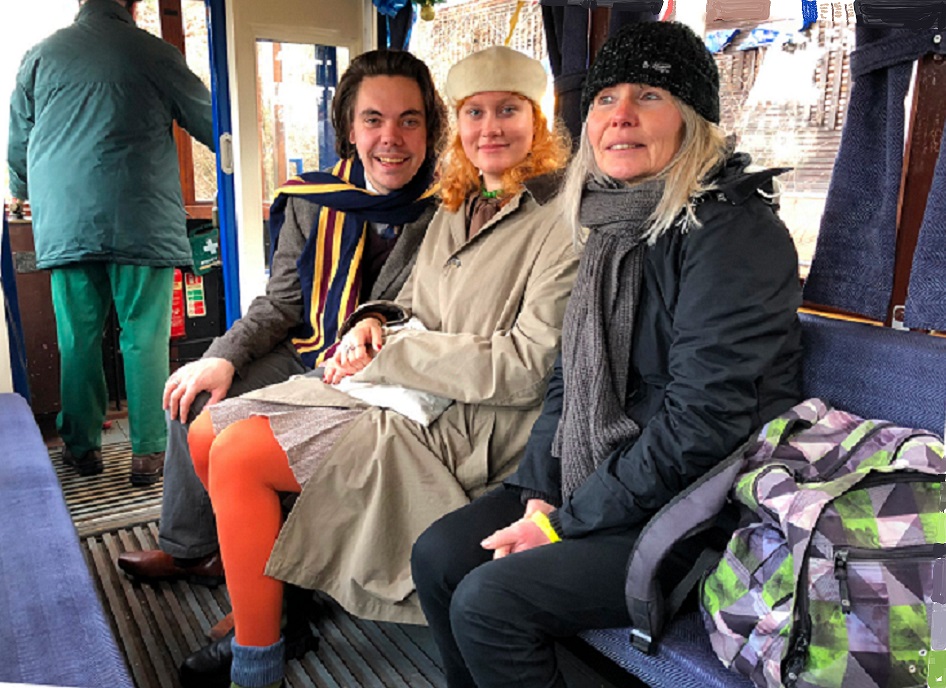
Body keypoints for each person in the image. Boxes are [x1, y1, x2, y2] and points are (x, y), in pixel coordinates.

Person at [410, 21, 805, 688]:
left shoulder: (734, 234)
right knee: (440, 556)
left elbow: (704, 424)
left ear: (692, 119)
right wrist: (542, 494)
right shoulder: (611, 223)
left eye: (649, 96)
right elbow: (568, 381)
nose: (620, 115)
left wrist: (565, 523)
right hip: (608, 480)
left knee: (489, 601)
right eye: (604, 98)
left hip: (701, 510)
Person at [181, 45, 576, 688]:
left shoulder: (562, 223)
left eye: (509, 111)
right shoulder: (457, 202)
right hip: (403, 388)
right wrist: (373, 320)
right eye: (475, 112)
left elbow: (529, 367)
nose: (490, 128)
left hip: (472, 422)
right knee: (206, 432)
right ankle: (280, 606)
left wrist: (396, 351)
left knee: (239, 456)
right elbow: (409, 301)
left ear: (538, 121)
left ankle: (259, 660)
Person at [116, 49, 447, 591]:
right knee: (194, 395)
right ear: (350, 128)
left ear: (429, 129)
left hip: (380, 372)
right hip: (308, 347)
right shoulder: (314, 199)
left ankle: (273, 582)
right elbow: (281, 304)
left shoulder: (451, 207)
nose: (391, 137)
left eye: (409, 120)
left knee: (253, 441)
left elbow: (433, 314)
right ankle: (191, 550)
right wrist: (222, 357)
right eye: (373, 119)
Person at [7, 0, 215, 483]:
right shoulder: (155, 53)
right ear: (133, 5)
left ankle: (81, 449)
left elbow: (18, 145)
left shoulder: (41, 56)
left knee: (77, 339)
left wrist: (25, 190)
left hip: (68, 221)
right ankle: (150, 452)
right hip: (142, 217)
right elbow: (212, 122)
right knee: (144, 336)